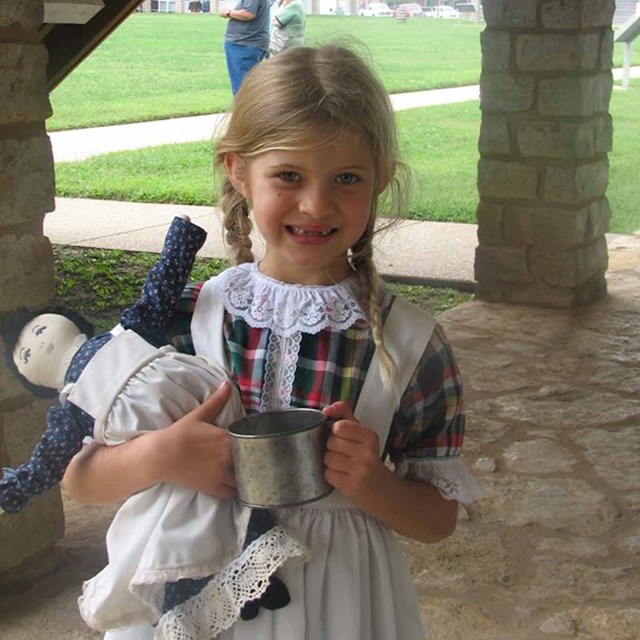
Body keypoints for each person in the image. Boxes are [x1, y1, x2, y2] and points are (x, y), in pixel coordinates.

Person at [63, 45, 484, 640]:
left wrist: (373, 484)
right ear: (239, 170)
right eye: (288, 175)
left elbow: (437, 518)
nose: (316, 204)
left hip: (340, 602)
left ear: (381, 178)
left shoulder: (412, 346)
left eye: (346, 178)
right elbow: (80, 477)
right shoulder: (189, 323)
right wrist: (161, 455)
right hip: (198, 595)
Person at [0, 216, 297, 635]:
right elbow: (56, 465)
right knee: (178, 542)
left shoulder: (127, 332)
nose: (39, 345)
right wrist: (16, 486)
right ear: (37, 383)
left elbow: (157, 292)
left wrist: (181, 242)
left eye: (38, 330)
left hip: (225, 413)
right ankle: (202, 603)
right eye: (27, 356)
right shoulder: (72, 409)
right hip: (173, 481)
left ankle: (251, 579)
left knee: (226, 507)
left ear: (67, 320)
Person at [219, 0, 270, 95]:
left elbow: (248, 13)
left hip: (244, 44)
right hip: (249, 43)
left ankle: (244, 109)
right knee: (250, 85)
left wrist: (228, 12)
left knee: (242, 88)